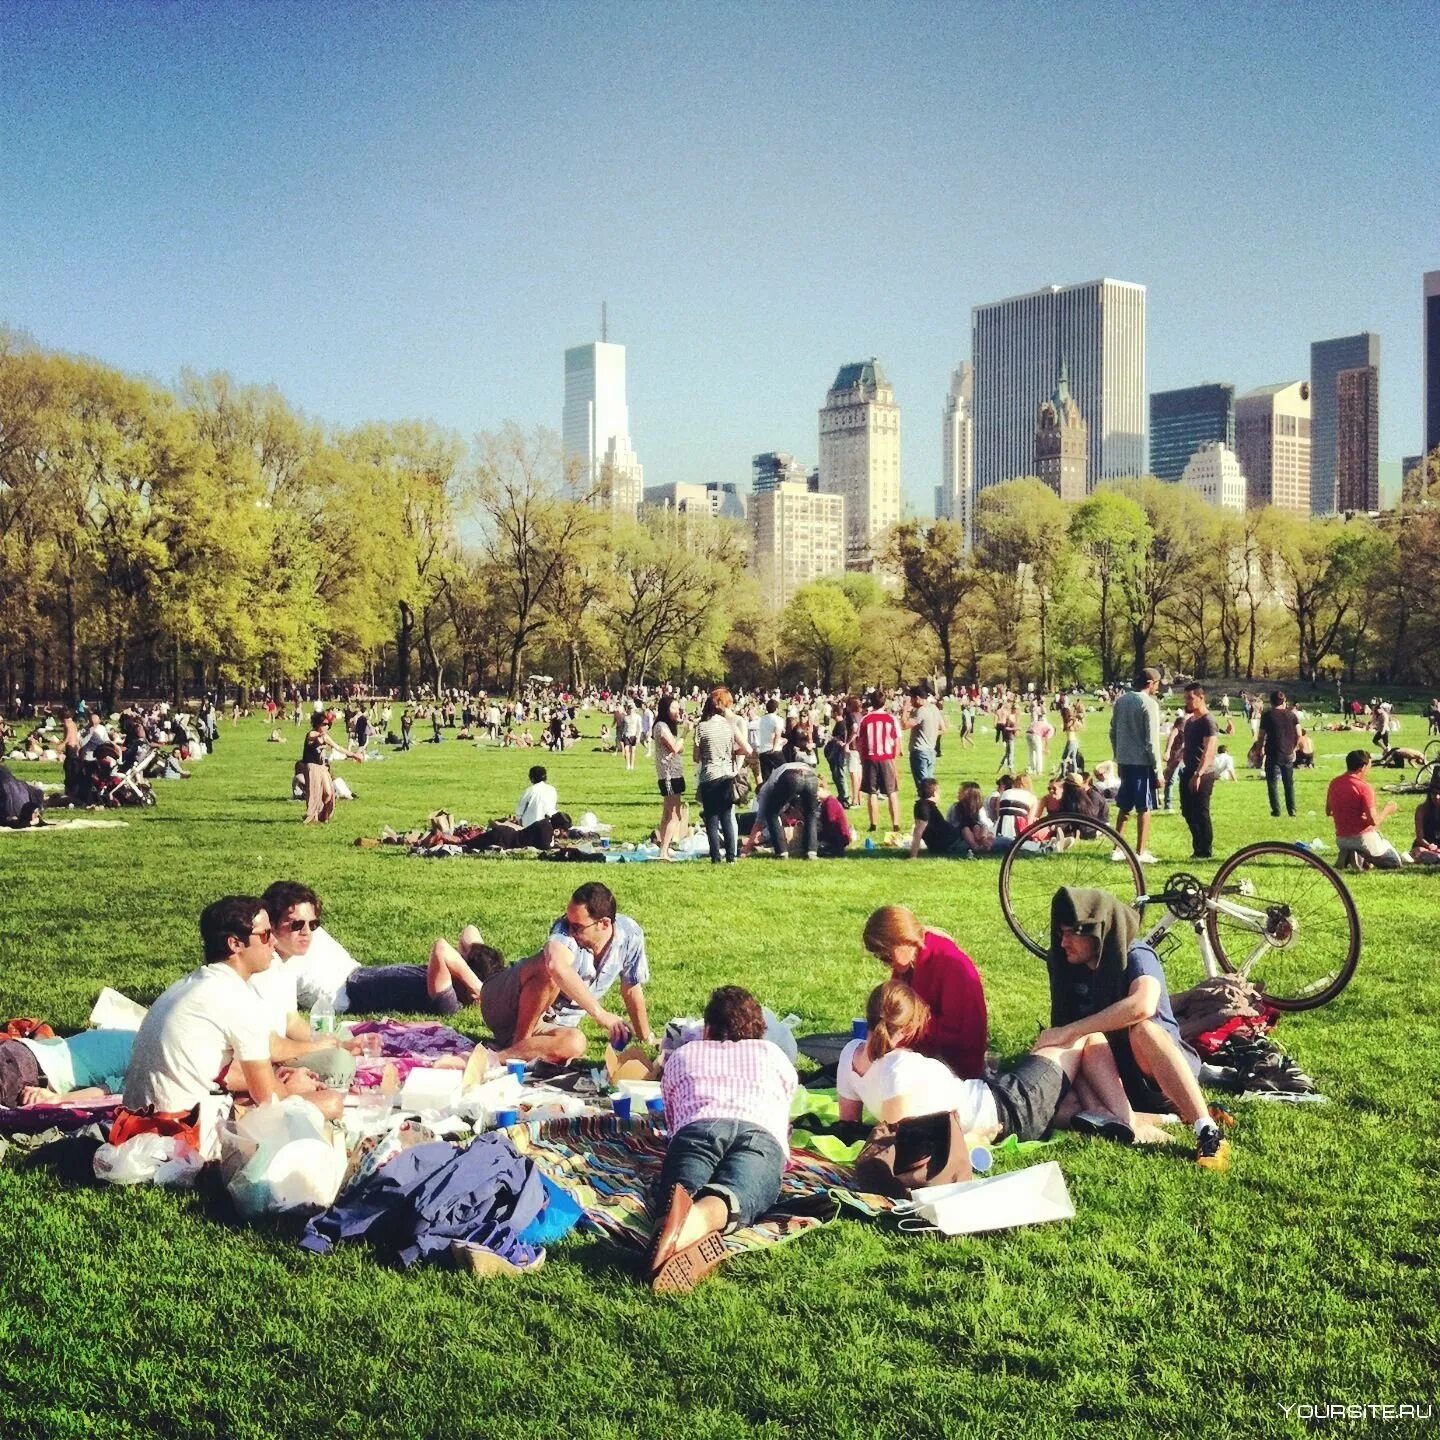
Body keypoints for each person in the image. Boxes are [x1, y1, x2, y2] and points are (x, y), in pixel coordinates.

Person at [112, 896, 342, 1147]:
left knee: (253, 1099)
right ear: (235, 944)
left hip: (135, 1125)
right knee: (331, 1102)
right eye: (265, 935)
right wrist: (295, 1088)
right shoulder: (236, 997)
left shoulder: (190, 984)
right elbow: (268, 1099)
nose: (273, 942)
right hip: (184, 1133)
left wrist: (279, 1082)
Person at [837, 980, 1161, 1146]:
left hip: (1000, 1104)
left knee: (1074, 1100)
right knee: (1078, 1036)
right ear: (907, 1028)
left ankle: (1120, 1118)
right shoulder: (899, 1070)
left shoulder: (850, 1056)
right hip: (1008, 1108)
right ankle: (1126, 1120)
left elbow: (849, 1123)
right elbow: (904, 1136)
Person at [1041, 887, 1230, 1170]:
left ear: (1098, 932)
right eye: (1060, 933)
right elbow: (1068, 1040)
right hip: (1111, 1083)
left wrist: (1073, 1031)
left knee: (1143, 1029)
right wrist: (1068, 1037)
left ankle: (1207, 1129)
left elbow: (1143, 1004)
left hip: (1160, 1077)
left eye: (1072, 933)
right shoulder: (1065, 964)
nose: (1063, 942)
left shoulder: (1136, 953)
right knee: (1051, 1108)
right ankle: (1131, 1121)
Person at [648, 986, 797, 1293]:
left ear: (708, 1028)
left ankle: (673, 1223)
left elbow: (673, 1119)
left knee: (682, 1186)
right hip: (760, 1133)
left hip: (699, 1127)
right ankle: (701, 1221)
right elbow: (783, 1108)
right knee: (740, 1190)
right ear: (760, 1029)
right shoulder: (775, 1057)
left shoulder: (683, 1055)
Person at [470, 882, 654, 1064]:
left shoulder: (630, 935)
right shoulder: (564, 931)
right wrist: (600, 1014)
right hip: (503, 1000)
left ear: (604, 924)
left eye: (578, 927)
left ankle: (500, 1058)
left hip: (548, 1021)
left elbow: (631, 988)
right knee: (548, 970)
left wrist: (645, 1037)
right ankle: (520, 1044)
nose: (571, 930)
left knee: (576, 1042)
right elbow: (555, 966)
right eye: (568, 921)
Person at [265, 882, 494, 1018]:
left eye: (462, 960)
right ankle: (261, 922)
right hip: (350, 970)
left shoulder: (448, 1001)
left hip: (342, 992)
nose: (459, 958)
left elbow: (441, 948)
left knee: (284, 948)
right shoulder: (453, 976)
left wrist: (480, 990)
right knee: (298, 916)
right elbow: (470, 931)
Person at [861, 906, 987, 1079]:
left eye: (886, 957)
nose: (886, 963)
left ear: (904, 941)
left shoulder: (951, 965)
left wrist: (903, 1030)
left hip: (955, 1068)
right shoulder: (908, 963)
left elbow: (958, 1035)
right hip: (924, 1053)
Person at [0, 1027, 135, 1107]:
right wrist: (55, 1099)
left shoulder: (138, 1035)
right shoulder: (150, 1059)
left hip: (19, 1050)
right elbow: (111, 1089)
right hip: (26, 1070)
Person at [1109, 669, 1163, 864]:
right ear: (1150, 683)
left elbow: (1113, 731)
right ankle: (1140, 851)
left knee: (1124, 806)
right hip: (1142, 763)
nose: (1158, 687)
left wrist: (1118, 756)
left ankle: (1117, 848)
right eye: (1157, 683)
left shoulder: (1121, 701)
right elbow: (1152, 741)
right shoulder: (1149, 704)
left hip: (1124, 761)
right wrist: (1158, 770)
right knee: (1144, 807)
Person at [694, 688, 752, 865]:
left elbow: (696, 757)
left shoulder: (701, 728)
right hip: (726, 774)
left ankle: (715, 857)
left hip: (709, 776)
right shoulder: (730, 725)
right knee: (727, 817)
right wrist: (731, 753)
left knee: (711, 818)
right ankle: (731, 857)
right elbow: (747, 749)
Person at [1325, 750, 1403, 870]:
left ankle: (1350, 855)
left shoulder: (1334, 783)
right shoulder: (1364, 788)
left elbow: (1328, 811)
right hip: (1363, 838)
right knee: (1394, 862)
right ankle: (1358, 855)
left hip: (1341, 839)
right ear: (1362, 767)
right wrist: (1388, 809)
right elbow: (1374, 821)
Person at [1169, 684, 1218, 860]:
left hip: (1203, 773)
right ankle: (1198, 846)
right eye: (1186, 698)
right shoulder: (1190, 722)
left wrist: (1199, 774)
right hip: (1188, 770)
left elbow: (1210, 749)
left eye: (1190, 698)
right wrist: (1173, 764)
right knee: (1187, 811)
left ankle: (1205, 850)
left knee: (1201, 811)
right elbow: (1186, 747)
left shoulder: (1208, 721)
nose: (1187, 702)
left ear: (1201, 697)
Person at [741, 758, 819, 860]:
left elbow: (759, 822)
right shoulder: (772, 782)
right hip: (811, 775)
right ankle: (811, 851)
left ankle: (782, 852)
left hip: (791, 776)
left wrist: (747, 848)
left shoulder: (764, 791)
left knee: (771, 813)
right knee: (810, 813)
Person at [857, 690, 902, 834]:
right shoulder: (891, 719)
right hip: (886, 757)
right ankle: (895, 824)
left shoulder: (865, 719)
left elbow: (860, 741)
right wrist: (894, 760)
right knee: (892, 792)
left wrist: (862, 757)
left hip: (870, 758)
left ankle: (873, 824)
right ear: (885, 702)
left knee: (872, 792)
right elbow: (897, 741)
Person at [652, 695, 688, 861]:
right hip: (668, 775)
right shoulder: (661, 726)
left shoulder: (667, 727)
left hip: (674, 773)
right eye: (673, 708)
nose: (677, 711)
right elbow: (675, 747)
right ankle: (664, 851)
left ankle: (663, 848)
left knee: (668, 813)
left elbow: (679, 749)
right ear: (665, 709)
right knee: (673, 814)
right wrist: (685, 732)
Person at [1258, 690, 1300, 819]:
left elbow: (1261, 735)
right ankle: (1291, 809)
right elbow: (1299, 734)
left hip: (1272, 752)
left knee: (1272, 783)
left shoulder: (1267, 715)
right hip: (1287, 752)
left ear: (1270, 702)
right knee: (1289, 783)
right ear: (1284, 701)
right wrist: (1294, 748)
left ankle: (1276, 810)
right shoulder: (1292, 715)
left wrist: (1260, 748)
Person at [908, 777, 968, 858]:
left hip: (948, 842)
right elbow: (918, 831)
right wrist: (913, 856)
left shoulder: (926, 806)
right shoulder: (924, 807)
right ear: (934, 792)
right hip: (952, 844)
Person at [903, 684, 944, 791]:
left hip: (919, 752)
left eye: (911, 699)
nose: (911, 702)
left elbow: (904, 725)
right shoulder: (934, 708)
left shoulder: (921, 711)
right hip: (931, 751)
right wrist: (930, 733)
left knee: (923, 787)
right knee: (930, 784)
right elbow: (943, 728)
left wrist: (905, 709)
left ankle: (926, 805)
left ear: (917, 698)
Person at [301, 715, 337, 824]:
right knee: (314, 792)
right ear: (317, 724)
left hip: (322, 767)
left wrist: (354, 755)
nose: (326, 726)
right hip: (311, 766)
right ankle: (313, 816)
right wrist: (320, 735)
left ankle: (323, 815)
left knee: (329, 793)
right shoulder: (312, 733)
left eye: (327, 724)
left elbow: (338, 747)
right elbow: (311, 737)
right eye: (324, 724)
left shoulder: (325, 737)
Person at [946, 781, 996, 854]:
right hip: (961, 831)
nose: (958, 793)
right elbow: (953, 822)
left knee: (981, 826)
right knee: (965, 829)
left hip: (977, 832)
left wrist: (981, 830)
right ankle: (975, 846)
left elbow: (984, 822)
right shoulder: (956, 807)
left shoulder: (979, 808)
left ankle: (984, 841)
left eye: (960, 792)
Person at [1411, 774, 1440, 865]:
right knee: (1418, 852)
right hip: (1426, 846)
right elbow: (1420, 838)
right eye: (1434, 793)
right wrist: (1430, 846)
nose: (1437, 797)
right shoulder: (1422, 810)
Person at [754, 698, 785, 783]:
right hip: (774, 751)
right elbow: (777, 734)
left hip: (763, 751)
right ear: (776, 709)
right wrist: (774, 748)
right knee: (784, 773)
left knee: (766, 778)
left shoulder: (761, 719)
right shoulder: (778, 719)